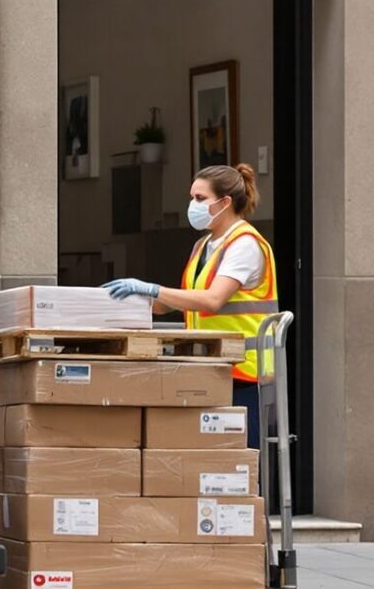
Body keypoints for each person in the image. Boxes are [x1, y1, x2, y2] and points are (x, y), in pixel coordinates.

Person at [104, 162, 278, 446]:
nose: (192, 205)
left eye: (200, 199)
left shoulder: (244, 244)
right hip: (213, 368)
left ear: (225, 202)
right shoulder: (204, 246)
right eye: (191, 198)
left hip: (244, 373)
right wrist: (133, 302)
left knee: (240, 463)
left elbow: (212, 299)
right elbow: (181, 301)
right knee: (214, 463)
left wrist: (153, 288)